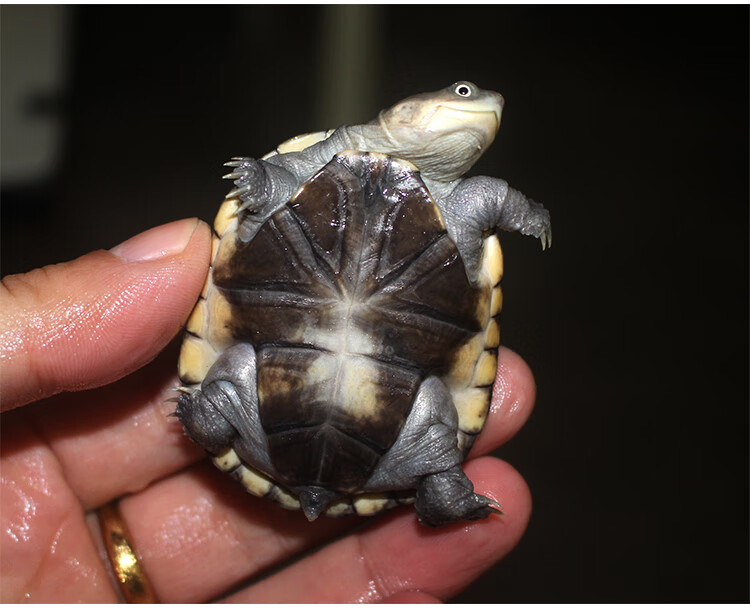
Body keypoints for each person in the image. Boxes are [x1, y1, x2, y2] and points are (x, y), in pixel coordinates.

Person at [0, 218, 535, 603]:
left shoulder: (456, 205)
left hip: (266, 407)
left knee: (231, 378)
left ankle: (222, 415)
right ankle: (439, 486)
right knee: (434, 427)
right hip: (390, 442)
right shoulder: (463, 207)